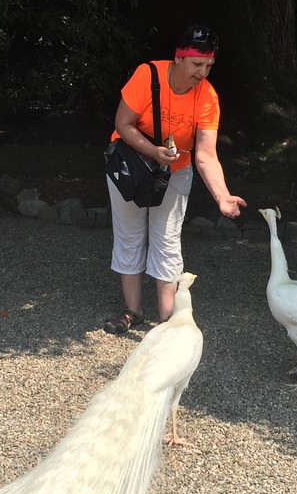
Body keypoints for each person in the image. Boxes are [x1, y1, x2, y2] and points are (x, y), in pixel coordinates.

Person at [104, 25, 246, 333]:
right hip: (131, 165)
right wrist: (152, 152)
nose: (202, 73)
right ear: (179, 58)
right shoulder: (148, 75)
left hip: (174, 170)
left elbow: (206, 154)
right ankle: (132, 311)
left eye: (208, 66)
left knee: (166, 240)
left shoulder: (207, 96)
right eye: (196, 64)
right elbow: (123, 123)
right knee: (130, 236)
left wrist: (222, 196)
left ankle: (167, 322)